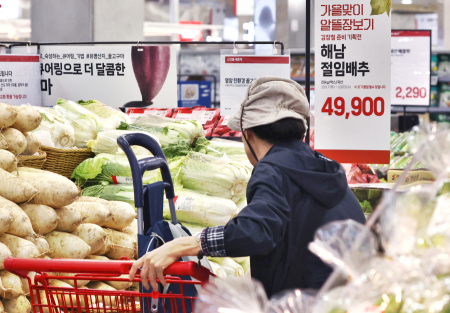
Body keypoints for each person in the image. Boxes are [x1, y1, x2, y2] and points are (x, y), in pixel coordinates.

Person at [130, 76, 366, 297]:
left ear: (249, 134)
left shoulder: (271, 169)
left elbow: (255, 231)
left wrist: (181, 245)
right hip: (344, 302)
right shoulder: (321, 166)